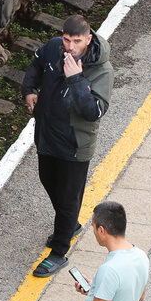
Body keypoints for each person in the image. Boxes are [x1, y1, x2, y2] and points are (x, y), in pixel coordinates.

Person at [22, 15, 113, 277]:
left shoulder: (101, 71)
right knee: (47, 180)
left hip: (75, 144)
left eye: (76, 41)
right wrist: (29, 88)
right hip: (47, 135)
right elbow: (36, 65)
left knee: (68, 198)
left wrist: (76, 80)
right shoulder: (53, 48)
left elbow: (94, 111)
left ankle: (59, 251)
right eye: (66, 39)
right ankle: (69, 223)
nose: (70, 46)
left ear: (88, 39)